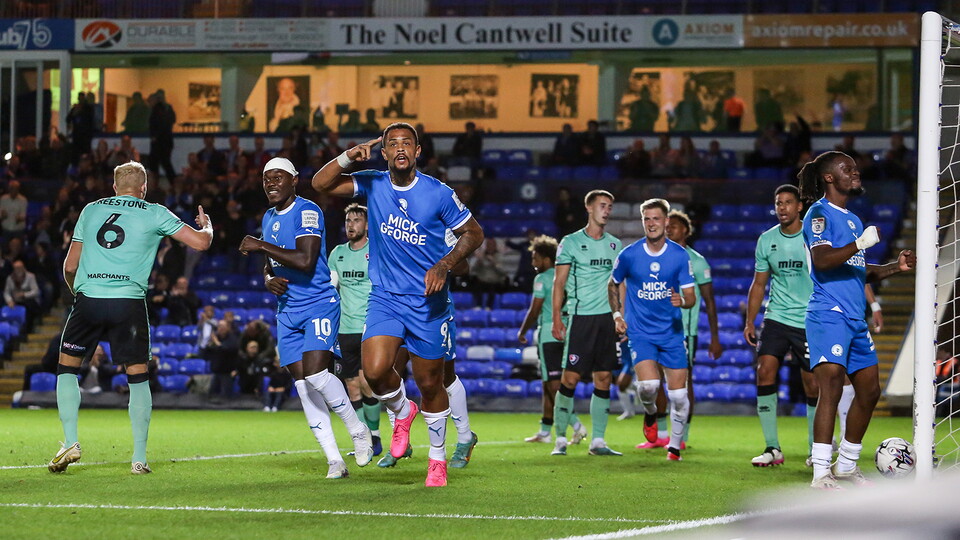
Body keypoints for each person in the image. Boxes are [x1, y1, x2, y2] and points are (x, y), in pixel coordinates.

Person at [311, 122, 484, 487]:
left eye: (408, 143)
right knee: (373, 373)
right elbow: (320, 185)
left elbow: (475, 233)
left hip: (427, 303)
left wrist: (444, 265)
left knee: (431, 382)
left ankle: (437, 460)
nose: (401, 148)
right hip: (386, 298)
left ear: (418, 151)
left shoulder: (437, 193)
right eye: (393, 144)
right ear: (385, 152)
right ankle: (403, 412)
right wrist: (347, 156)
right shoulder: (373, 183)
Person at [49, 161, 213, 475]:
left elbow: (70, 266)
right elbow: (201, 243)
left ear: (114, 187)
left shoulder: (91, 210)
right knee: (137, 377)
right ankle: (138, 458)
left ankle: (70, 441)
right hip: (128, 302)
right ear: (144, 188)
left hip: (89, 300)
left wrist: (78, 293)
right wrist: (207, 226)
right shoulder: (154, 211)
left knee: (66, 369)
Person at [239, 157, 373, 480]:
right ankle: (334, 461)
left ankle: (359, 430)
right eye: (266, 178)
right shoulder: (269, 217)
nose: (271, 183)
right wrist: (267, 279)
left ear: (294, 180)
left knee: (315, 377)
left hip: (317, 303)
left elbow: (306, 259)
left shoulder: (307, 211)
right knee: (302, 386)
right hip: (287, 310)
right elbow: (272, 265)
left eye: (278, 177)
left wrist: (259, 245)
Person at [797, 151, 916, 489]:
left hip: (854, 318)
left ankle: (847, 463)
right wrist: (858, 243)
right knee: (831, 385)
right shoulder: (818, 215)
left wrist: (896, 266)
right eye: (846, 169)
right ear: (829, 177)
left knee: (869, 391)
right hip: (827, 314)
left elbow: (859, 271)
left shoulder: (852, 219)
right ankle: (821, 471)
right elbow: (822, 261)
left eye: (855, 168)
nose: (855, 172)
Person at [609, 198, 696, 461]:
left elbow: (690, 296)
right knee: (648, 387)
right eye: (647, 219)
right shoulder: (629, 254)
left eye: (656, 218)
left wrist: (682, 300)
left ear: (666, 221)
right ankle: (649, 413)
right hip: (641, 332)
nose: (651, 224)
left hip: (671, 333)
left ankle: (674, 447)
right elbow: (613, 284)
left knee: (679, 395)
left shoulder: (680, 256)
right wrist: (617, 314)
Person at [744, 184, 819, 467]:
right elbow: (759, 283)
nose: (783, 207)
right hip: (776, 317)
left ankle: (816, 448)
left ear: (800, 206)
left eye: (788, 202)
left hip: (809, 319)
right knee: (764, 372)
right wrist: (750, 320)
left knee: (812, 385)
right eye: (778, 203)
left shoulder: (813, 237)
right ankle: (772, 448)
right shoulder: (766, 240)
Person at [550, 190, 622, 457]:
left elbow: (617, 284)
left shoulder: (615, 245)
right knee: (570, 378)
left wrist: (619, 315)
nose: (607, 210)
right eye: (603, 206)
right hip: (580, 318)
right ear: (589, 208)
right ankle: (560, 439)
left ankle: (598, 441)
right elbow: (559, 283)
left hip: (606, 320)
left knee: (604, 377)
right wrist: (557, 317)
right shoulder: (570, 242)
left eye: (610, 207)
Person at [651, 209, 722, 448]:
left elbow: (710, 301)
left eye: (675, 226)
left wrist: (715, 337)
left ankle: (682, 436)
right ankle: (661, 435)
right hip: (657, 327)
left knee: (682, 382)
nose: (669, 228)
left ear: (686, 231)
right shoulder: (658, 257)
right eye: (667, 225)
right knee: (655, 380)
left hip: (684, 332)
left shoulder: (697, 261)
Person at [518, 235, 586, 445]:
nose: (533, 263)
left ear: (546, 259)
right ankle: (545, 431)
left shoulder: (542, 278)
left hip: (549, 333)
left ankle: (576, 425)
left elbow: (535, 309)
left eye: (535, 258)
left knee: (554, 386)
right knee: (548, 383)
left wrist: (522, 331)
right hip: (567, 331)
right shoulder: (567, 275)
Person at [328, 203, 384, 455]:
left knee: (365, 382)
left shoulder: (378, 251)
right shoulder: (337, 253)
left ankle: (376, 435)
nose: (351, 225)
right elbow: (332, 290)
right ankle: (365, 439)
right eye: (348, 220)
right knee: (350, 384)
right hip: (344, 327)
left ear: (367, 224)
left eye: (356, 220)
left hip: (369, 325)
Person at [203, 319, 240, 399]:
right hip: (216, 371)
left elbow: (227, 350)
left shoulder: (232, 339)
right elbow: (206, 353)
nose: (221, 328)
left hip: (227, 373)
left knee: (225, 397)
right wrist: (208, 345)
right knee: (212, 395)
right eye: (219, 326)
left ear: (228, 328)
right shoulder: (215, 338)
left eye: (223, 326)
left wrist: (216, 342)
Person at [4, 259, 41, 332]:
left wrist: (24, 294)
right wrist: (9, 300)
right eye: (16, 268)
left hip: (28, 301)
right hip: (16, 301)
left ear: (23, 268)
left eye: (19, 268)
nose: (18, 270)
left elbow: (35, 291)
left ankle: (27, 329)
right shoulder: (10, 278)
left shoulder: (30, 276)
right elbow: (6, 292)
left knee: (29, 308)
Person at [148, 90, 177, 181]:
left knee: (156, 163)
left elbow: (157, 124)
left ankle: (155, 182)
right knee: (165, 163)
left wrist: (155, 136)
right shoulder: (166, 108)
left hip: (159, 142)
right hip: (166, 141)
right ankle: (172, 181)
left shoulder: (157, 110)